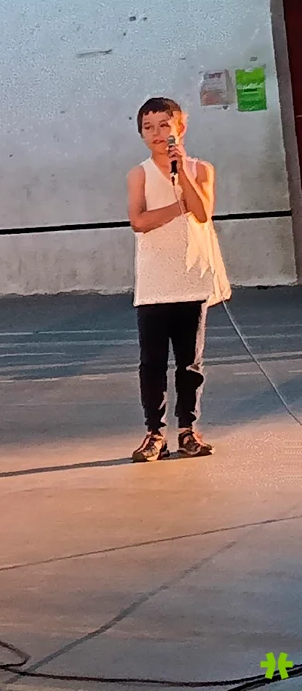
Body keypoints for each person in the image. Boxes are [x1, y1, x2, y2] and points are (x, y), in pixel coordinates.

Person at [126, 98, 231, 462]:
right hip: (155, 282)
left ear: (180, 128)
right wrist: (177, 207)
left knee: (190, 362)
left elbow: (202, 212)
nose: (157, 133)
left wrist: (182, 172)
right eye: (148, 127)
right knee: (152, 362)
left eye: (164, 125)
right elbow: (139, 221)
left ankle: (188, 429)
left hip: (191, 277)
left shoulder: (201, 169)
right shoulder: (139, 174)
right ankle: (155, 433)